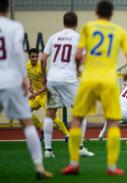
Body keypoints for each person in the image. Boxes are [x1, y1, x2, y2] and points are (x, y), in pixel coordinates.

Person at [61, 0, 127, 176]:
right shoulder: (119, 31)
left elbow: (78, 55)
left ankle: (73, 164)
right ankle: (111, 166)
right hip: (109, 81)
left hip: (88, 79)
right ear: (112, 13)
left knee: (77, 118)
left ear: (96, 12)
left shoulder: (88, 27)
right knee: (113, 122)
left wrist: (79, 69)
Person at [0, 0, 52, 179]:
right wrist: (23, 78)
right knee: (27, 124)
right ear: (7, 8)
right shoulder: (14, 27)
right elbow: (17, 53)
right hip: (10, 81)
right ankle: (39, 167)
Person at [40, 11, 93, 158]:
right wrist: (79, 70)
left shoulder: (54, 37)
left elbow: (43, 59)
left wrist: (44, 78)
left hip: (53, 78)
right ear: (76, 23)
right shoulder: (79, 38)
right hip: (69, 79)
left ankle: (48, 150)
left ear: (63, 23)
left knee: (50, 113)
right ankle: (80, 147)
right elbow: (83, 58)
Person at [26, 48, 69, 141]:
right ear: (29, 57)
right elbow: (30, 77)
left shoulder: (42, 68)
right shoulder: (27, 65)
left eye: (36, 56)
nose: (34, 59)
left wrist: (35, 93)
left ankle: (67, 134)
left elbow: (47, 86)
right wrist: (30, 85)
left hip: (46, 94)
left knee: (53, 116)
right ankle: (42, 128)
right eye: (32, 57)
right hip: (37, 95)